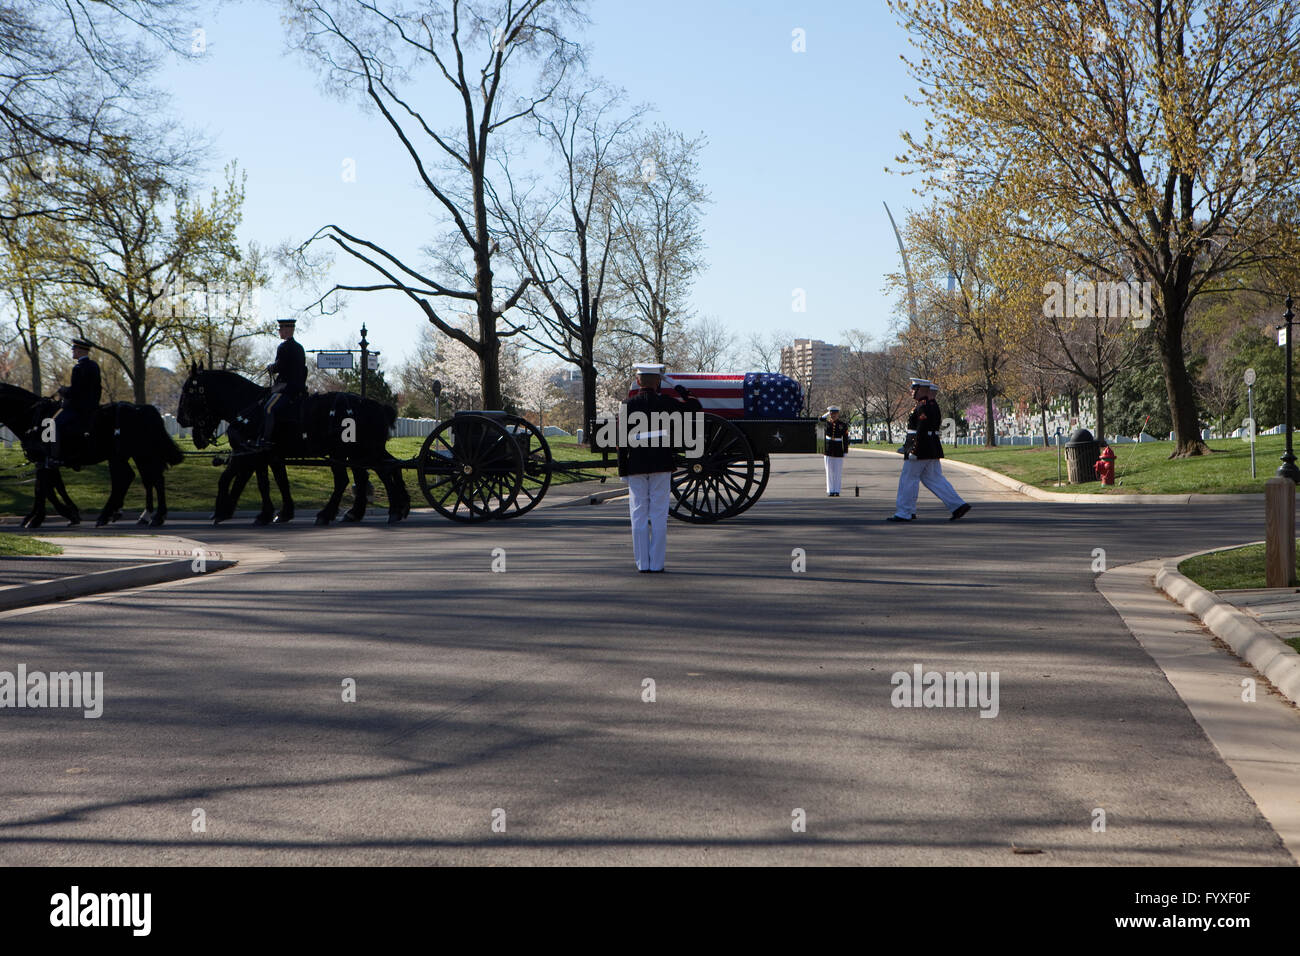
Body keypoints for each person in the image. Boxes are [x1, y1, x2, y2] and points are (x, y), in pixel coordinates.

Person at [617, 362, 702, 572]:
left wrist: (622, 470)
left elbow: (620, 441)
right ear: (658, 382)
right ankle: (656, 564)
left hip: (635, 464)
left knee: (638, 514)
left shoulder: (627, 404)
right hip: (661, 464)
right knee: (658, 514)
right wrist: (676, 385)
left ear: (638, 381)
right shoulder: (667, 402)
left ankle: (642, 564)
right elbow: (695, 406)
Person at [887, 378, 971, 522]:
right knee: (934, 479)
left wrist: (914, 450)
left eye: (915, 389)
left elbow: (921, 431)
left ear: (922, 390)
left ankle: (904, 512)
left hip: (921, 450)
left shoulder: (922, 407)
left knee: (908, 479)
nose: (912, 391)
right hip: (929, 449)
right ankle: (957, 505)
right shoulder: (927, 406)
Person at [50, 337, 101, 467]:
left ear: (80, 351)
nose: (72, 351)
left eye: (74, 349)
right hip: (92, 406)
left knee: (54, 424)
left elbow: (77, 391)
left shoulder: (78, 368)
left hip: (78, 408)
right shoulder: (94, 365)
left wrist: (64, 391)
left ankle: (54, 457)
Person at [258, 318, 308, 448]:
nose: (279, 332)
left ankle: (266, 439)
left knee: (268, 408)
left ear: (287, 330)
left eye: (281, 329)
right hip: (299, 387)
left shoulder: (284, 347)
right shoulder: (299, 347)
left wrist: (272, 367)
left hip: (286, 388)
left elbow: (280, 367)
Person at [819, 405, 849, 496]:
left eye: (835, 414)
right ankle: (830, 490)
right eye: (831, 414)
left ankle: (837, 490)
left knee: (837, 471)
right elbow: (819, 423)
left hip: (838, 449)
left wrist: (845, 450)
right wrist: (825, 415)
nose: (833, 416)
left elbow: (845, 439)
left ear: (838, 414)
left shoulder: (842, 425)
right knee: (829, 471)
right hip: (828, 449)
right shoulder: (825, 423)